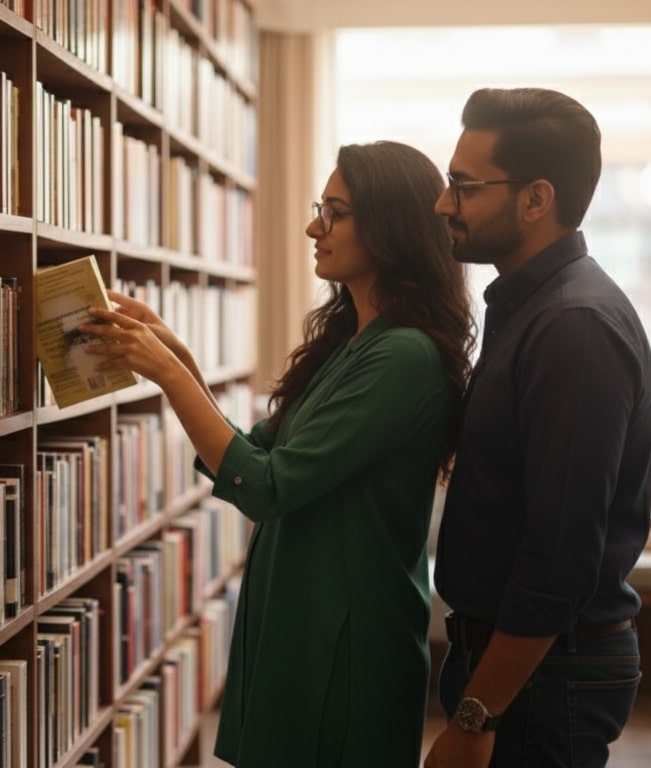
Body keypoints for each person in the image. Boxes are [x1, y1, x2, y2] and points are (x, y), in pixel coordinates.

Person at [81, 141, 476, 767]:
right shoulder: (357, 342)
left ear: (391, 226)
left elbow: (265, 485)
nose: (314, 226)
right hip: (304, 619)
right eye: (323, 207)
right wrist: (177, 356)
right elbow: (258, 450)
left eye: (337, 212)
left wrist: (171, 377)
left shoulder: (403, 356)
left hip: (346, 639)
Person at [425, 87, 651, 768]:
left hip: (545, 672)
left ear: (535, 200)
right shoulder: (531, 308)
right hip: (518, 662)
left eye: (463, 187)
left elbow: (560, 556)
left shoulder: (572, 327)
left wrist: (476, 714)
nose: (444, 204)